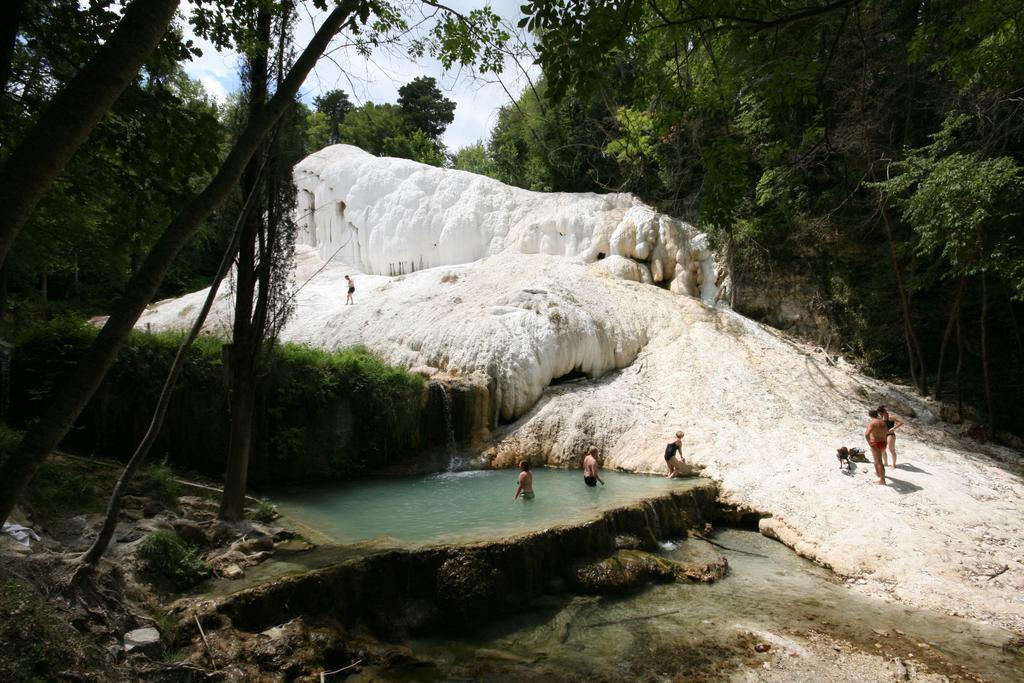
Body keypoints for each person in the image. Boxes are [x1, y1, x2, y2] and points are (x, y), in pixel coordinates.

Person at [864, 410, 888, 485]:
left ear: (870, 415)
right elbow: (886, 432)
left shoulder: (872, 423)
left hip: (876, 443)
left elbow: (866, 434)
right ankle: (878, 473)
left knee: (879, 462)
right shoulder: (883, 423)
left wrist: (870, 443)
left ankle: (882, 480)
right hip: (883, 442)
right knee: (876, 460)